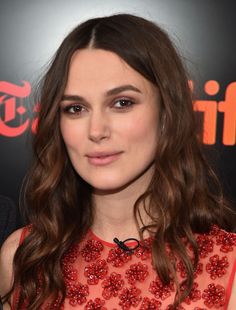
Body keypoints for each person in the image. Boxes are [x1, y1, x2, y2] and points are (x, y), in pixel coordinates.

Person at [0, 13, 235, 310]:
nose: (96, 130)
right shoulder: (23, 258)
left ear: (167, 113)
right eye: (75, 108)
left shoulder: (228, 266)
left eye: (122, 103)